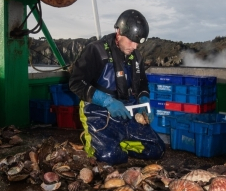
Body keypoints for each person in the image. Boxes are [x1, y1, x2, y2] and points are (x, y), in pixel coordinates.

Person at [69, 9, 166, 165]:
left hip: (127, 111)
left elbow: (142, 83)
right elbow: (75, 83)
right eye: (131, 40)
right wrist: (106, 101)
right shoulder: (96, 50)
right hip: (99, 111)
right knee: (110, 156)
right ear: (119, 32)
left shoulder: (136, 56)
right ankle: (101, 144)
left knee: (157, 150)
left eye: (138, 42)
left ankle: (118, 140)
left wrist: (144, 101)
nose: (134, 46)